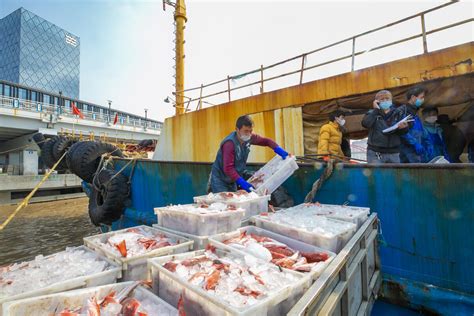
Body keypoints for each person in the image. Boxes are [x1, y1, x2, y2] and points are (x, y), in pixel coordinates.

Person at [210, 115, 289, 193]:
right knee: (223, 202)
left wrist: (278, 149)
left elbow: (266, 141)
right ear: (237, 129)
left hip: (233, 178)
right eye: (246, 131)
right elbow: (228, 168)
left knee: (234, 201)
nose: (249, 134)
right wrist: (241, 182)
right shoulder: (229, 144)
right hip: (220, 179)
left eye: (250, 131)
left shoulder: (249, 137)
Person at [361, 90, 409, 163]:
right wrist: (376, 110)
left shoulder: (398, 113)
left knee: (394, 174)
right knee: (376, 174)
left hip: (394, 152)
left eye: (387, 98)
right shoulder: (371, 113)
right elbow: (365, 124)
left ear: (391, 100)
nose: (385, 101)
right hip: (375, 152)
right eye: (382, 99)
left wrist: (404, 128)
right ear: (377, 101)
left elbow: (403, 132)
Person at [399, 85, 430, 163]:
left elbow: (421, 131)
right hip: (406, 153)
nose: (423, 100)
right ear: (413, 97)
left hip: (417, 152)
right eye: (421, 97)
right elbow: (402, 132)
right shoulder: (403, 111)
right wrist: (414, 143)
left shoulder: (416, 113)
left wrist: (427, 143)